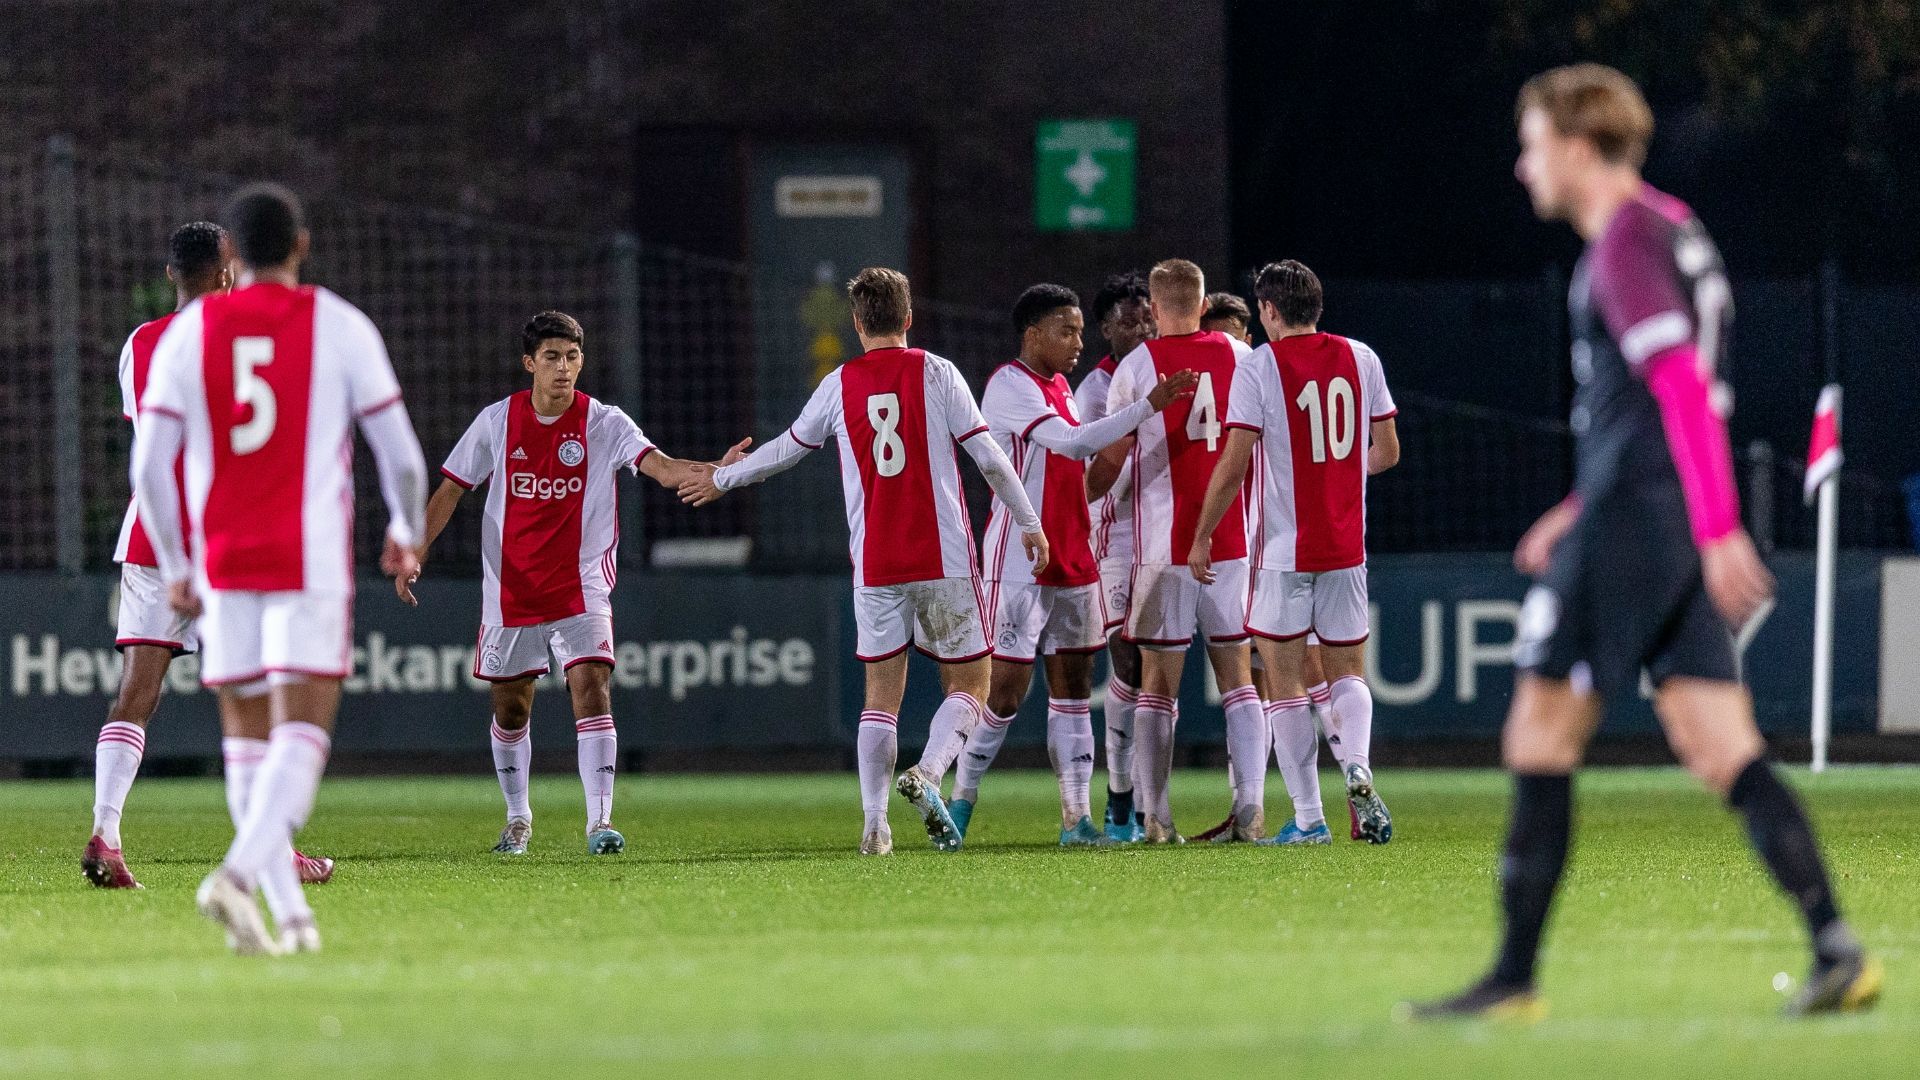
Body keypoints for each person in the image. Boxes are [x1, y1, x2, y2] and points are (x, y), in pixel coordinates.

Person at [1412, 64, 1878, 1019]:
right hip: (1641, 515)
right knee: (1720, 745)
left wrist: (1715, 526)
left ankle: (1512, 979)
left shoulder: (1622, 243)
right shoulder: (1675, 227)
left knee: (1538, 735)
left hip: (1645, 523)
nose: (1522, 165)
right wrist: (1585, 508)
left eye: (1534, 143)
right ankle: (1837, 949)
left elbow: (1681, 396)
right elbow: (1653, 408)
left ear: (1581, 149)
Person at [133, 183, 427, 954]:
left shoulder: (192, 332)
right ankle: (234, 877)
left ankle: (289, 918)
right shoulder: (337, 325)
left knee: (247, 742)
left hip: (223, 560)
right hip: (309, 558)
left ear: (232, 253)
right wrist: (404, 527)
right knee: (302, 733)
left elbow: (149, 463)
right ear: (300, 245)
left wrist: (174, 562)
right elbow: (399, 454)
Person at [678, 268, 1048, 856]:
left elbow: (782, 453)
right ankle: (928, 773)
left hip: (876, 564)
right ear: (907, 317)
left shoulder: (839, 384)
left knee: (880, 698)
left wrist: (723, 478)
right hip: (945, 556)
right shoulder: (937, 372)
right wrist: (1029, 522)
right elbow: (991, 459)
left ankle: (875, 827)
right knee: (972, 685)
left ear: (856, 324)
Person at [398, 310, 746, 855]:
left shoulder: (604, 423)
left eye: (573, 357)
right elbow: (452, 488)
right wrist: (415, 551)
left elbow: (662, 466)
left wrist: (719, 472)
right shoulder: (496, 421)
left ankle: (599, 823)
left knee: (592, 687)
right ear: (529, 363)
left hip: (581, 585)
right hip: (510, 587)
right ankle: (518, 819)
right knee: (512, 707)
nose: (564, 369)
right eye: (553, 357)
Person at [85, 222, 338, 890]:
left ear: (171, 274)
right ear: (229, 271)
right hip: (230, 538)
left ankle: (106, 833)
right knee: (258, 700)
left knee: (135, 693)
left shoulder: (140, 345)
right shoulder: (250, 336)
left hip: (151, 536)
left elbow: (150, 444)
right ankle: (275, 854)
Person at [948, 284, 1194, 845]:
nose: (1079, 341)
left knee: (1075, 690)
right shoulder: (1008, 386)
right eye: (1068, 330)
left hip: (1076, 554)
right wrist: (1147, 407)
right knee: (1007, 691)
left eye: (1082, 330)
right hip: (1020, 557)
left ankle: (1076, 819)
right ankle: (961, 801)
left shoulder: (1061, 385)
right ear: (1033, 334)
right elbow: (1074, 444)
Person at [1188, 261, 1400, 850]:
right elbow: (1386, 452)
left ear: (1271, 311)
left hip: (1281, 549)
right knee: (1347, 672)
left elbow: (1233, 462)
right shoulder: (1363, 357)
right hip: (1345, 545)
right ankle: (1357, 767)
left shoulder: (1258, 366)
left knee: (1283, 682)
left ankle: (1309, 818)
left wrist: (1204, 533)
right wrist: (1333, 473)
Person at [1090, 259, 1263, 844]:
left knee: (1158, 684)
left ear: (1157, 310)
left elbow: (1109, 462)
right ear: (1204, 300)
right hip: (1231, 543)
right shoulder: (1242, 359)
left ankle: (1157, 819)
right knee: (1238, 678)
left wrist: (1075, 499)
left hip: (1164, 547)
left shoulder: (1137, 366)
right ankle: (1252, 811)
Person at [1074, 271, 1157, 841]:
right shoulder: (1096, 391)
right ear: (1105, 329)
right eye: (1128, 319)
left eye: (1147, 315)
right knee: (1127, 660)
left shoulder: (1169, 369)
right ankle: (1121, 795)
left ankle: (1154, 803)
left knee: (1163, 664)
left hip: (1171, 531)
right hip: (1120, 536)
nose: (1142, 325)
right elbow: (1093, 480)